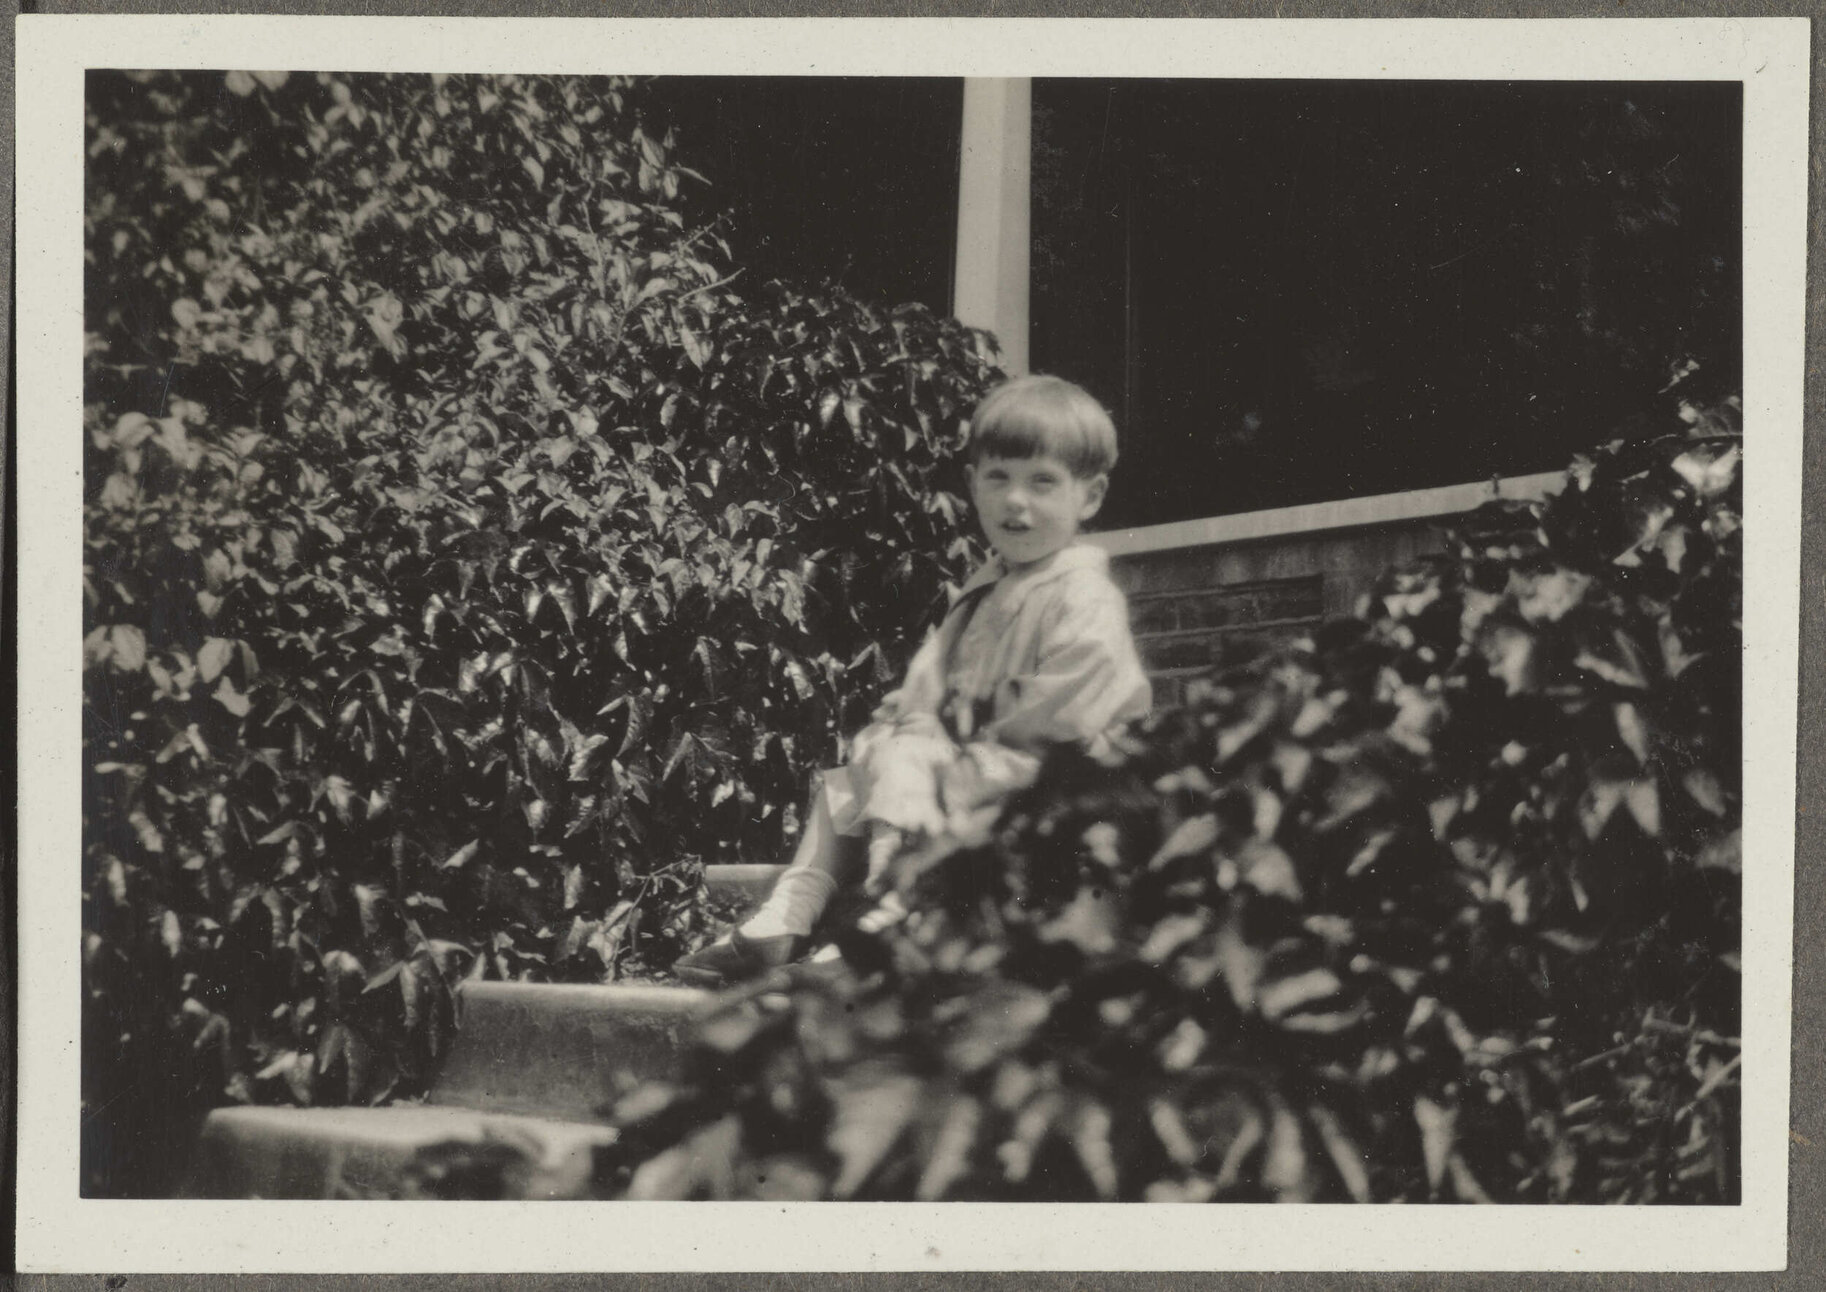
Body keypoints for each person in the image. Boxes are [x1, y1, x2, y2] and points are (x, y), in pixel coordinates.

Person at [675, 374, 1152, 984]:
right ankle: (790, 911)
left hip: (1059, 781)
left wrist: (939, 745)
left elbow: (1061, 717)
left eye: (1042, 483)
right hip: (974, 762)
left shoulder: (1084, 596)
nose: (1016, 502)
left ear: (1088, 497)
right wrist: (905, 723)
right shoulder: (987, 587)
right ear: (973, 485)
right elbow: (931, 682)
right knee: (851, 780)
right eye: (998, 478)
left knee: (910, 763)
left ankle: (891, 916)